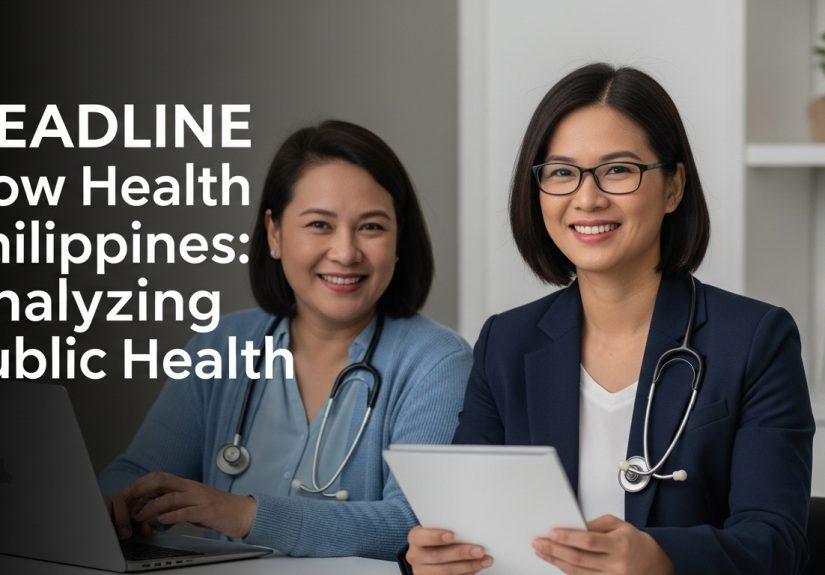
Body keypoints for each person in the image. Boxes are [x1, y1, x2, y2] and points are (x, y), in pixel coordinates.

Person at [403, 64, 815, 575]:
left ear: (673, 188)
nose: (587, 197)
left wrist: (660, 559)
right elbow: (465, 523)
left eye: (618, 170)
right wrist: (428, 558)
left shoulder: (755, 339)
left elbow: (774, 544)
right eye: (560, 172)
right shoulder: (505, 342)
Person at [98, 120, 473, 560]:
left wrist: (247, 515)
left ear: (398, 240)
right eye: (319, 224)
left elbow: (414, 525)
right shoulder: (221, 345)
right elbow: (140, 473)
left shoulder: (438, 362)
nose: (345, 252)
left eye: (371, 227)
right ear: (275, 233)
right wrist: (111, 503)